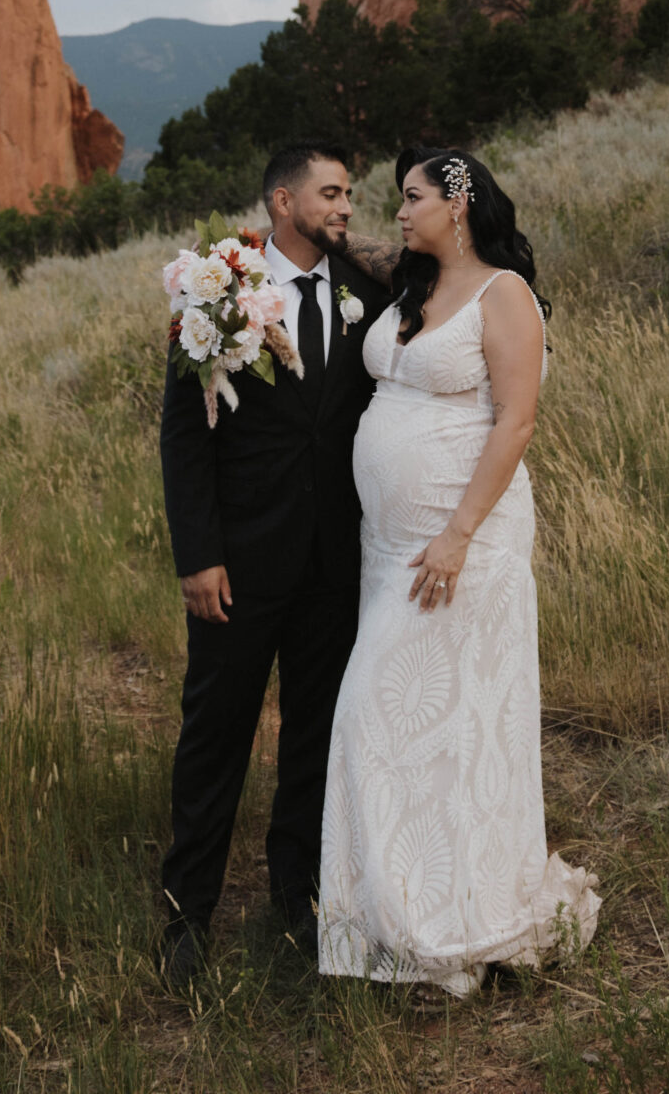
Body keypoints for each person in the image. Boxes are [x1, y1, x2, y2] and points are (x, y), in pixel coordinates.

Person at [317, 148, 600, 996]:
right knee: (414, 729)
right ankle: (403, 915)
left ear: (459, 203)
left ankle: (466, 919)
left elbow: (515, 420)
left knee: (441, 720)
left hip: (462, 545)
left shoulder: (500, 294)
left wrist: (457, 534)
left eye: (411, 198)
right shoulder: (410, 289)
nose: (398, 213)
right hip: (387, 549)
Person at [157, 143, 391, 986]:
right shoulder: (215, 291)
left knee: (315, 737)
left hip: (336, 560)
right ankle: (187, 917)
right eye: (331, 195)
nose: (346, 210)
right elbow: (185, 439)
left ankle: (296, 900)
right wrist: (199, 556)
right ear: (283, 202)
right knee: (213, 738)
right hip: (239, 567)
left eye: (350, 196)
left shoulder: (367, 293)